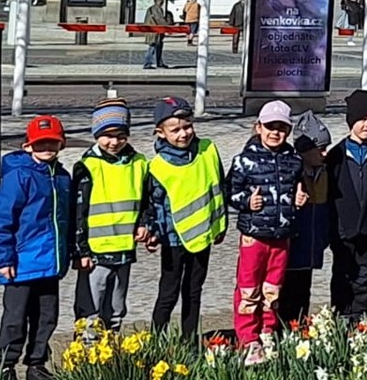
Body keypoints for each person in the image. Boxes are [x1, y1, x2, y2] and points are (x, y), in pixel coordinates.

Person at [0, 114, 74, 380]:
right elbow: (2, 218)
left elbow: (66, 219)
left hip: (51, 261)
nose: (47, 148)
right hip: (22, 262)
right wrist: (4, 259)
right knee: (15, 318)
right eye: (40, 143)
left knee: (46, 316)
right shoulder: (19, 176)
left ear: (61, 144)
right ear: (28, 146)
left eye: (52, 142)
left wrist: (68, 252)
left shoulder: (62, 177)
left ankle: (36, 364)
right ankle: (5, 366)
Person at [225, 99, 305, 361]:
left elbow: (298, 188)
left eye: (282, 127)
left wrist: (299, 198)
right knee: (249, 288)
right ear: (258, 127)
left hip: (282, 236)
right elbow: (229, 192)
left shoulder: (293, 160)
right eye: (270, 126)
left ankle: (267, 331)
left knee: (273, 288)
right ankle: (248, 337)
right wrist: (247, 202)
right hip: (254, 236)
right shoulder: (244, 160)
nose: (275, 132)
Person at [142, 96, 227, 337]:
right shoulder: (157, 166)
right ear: (160, 132)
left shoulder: (208, 149)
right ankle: (156, 340)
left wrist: (221, 225)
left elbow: (219, 186)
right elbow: (154, 204)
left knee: (194, 291)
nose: (183, 134)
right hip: (173, 239)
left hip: (203, 234)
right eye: (175, 129)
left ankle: (190, 342)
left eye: (188, 126)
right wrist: (153, 232)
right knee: (168, 292)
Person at [71, 98, 148, 332]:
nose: (114, 142)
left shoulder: (139, 163)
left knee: (116, 306)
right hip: (95, 252)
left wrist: (144, 223)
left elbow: (145, 200)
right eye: (108, 135)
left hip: (124, 249)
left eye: (121, 136)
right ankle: (86, 353)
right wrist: (81, 250)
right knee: (91, 308)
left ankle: (111, 352)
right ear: (96, 134)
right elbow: (78, 213)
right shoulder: (86, 166)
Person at [326, 88, 367, 320]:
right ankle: (341, 314)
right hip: (343, 230)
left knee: (364, 274)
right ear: (351, 121)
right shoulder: (335, 156)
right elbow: (327, 196)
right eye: (362, 119)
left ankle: (360, 314)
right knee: (342, 273)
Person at [278, 112, 332, 327]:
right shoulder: (292, 171)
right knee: (286, 291)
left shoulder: (324, 171)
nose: (325, 153)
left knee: (303, 291)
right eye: (321, 149)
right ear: (305, 150)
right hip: (292, 244)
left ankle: (299, 327)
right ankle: (282, 329)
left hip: (312, 245)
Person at [142, 0, 171, 70]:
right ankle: (147, 63)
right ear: (157, 1)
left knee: (159, 47)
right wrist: (169, 26)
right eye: (161, 0)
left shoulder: (157, 8)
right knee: (152, 47)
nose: (162, 2)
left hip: (157, 32)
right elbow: (159, 19)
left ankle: (159, 62)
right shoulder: (155, 9)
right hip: (153, 32)